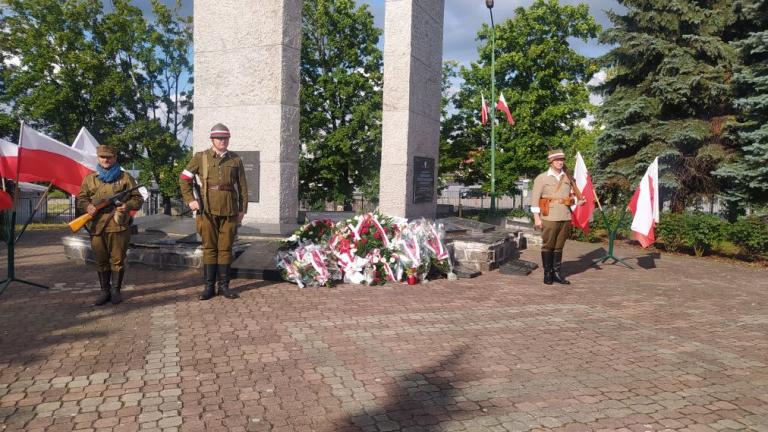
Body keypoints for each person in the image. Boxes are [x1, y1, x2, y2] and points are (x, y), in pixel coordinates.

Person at [179, 123, 248, 300]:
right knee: (210, 248)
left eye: (225, 138)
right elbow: (184, 178)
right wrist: (190, 200)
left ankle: (224, 287)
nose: (223, 141)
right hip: (207, 210)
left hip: (229, 210)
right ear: (212, 139)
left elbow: (242, 187)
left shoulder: (235, 160)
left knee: (225, 248)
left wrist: (242, 209)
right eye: (219, 138)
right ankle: (208, 287)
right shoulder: (200, 157)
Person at [77, 145, 144, 305]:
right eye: (102, 157)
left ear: (115, 158)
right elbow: (81, 199)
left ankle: (115, 291)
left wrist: (127, 206)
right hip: (97, 227)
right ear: (98, 158)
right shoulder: (90, 178)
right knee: (100, 260)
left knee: (118, 259)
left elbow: (138, 199)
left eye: (109, 157)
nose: (106, 160)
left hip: (118, 225)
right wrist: (88, 207)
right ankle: (104, 291)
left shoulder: (125, 177)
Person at [530, 149, 585, 285]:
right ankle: (547, 273)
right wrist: (537, 218)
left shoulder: (568, 178)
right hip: (549, 217)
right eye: (557, 160)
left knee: (559, 246)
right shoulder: (541, 178)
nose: (560, 162)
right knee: (548, 246)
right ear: (551, 162)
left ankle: (557, 273)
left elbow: (570, 197)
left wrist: (579, 201)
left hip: (565, 216)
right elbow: (535, 199)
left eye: (562, 160)